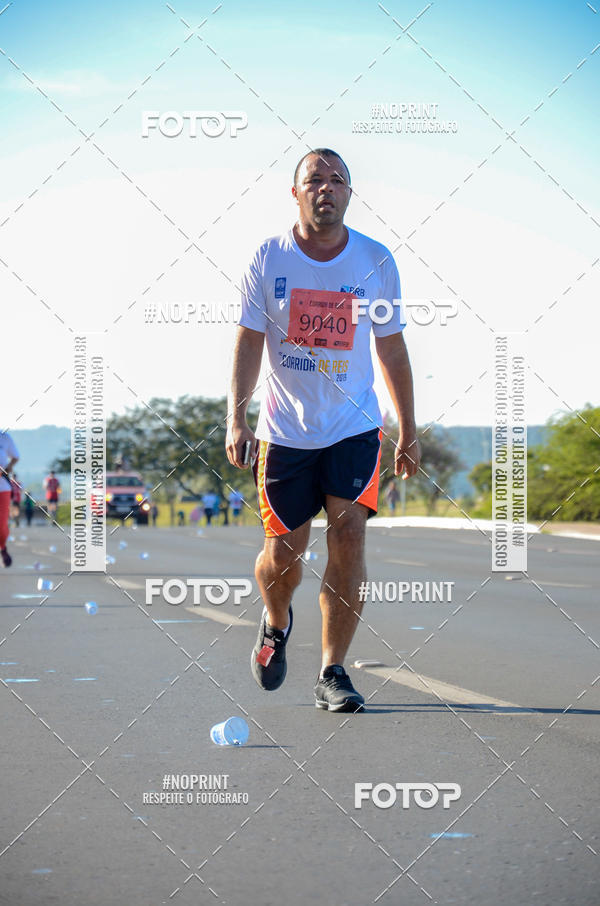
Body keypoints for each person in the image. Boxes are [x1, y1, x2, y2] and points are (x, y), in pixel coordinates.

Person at [226, 148, 420, 713]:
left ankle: (333, 671)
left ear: (349, 194)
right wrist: (236, 416)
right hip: (285, 431)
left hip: (354, 427)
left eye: (338, 180)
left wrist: (408, 427)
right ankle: (275, 620)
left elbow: (391, 346)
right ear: (296, 193)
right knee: (282, 556)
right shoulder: (269, 257)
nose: (326, 188)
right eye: (315, 180)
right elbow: (249, 339)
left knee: (349, 534)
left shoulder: (374, 260)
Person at [0, 431, 19, 567]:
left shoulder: (4, 437)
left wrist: (8, 468)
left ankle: (3, 547)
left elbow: (15, 457)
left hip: (3, 488)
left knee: (1, 524)